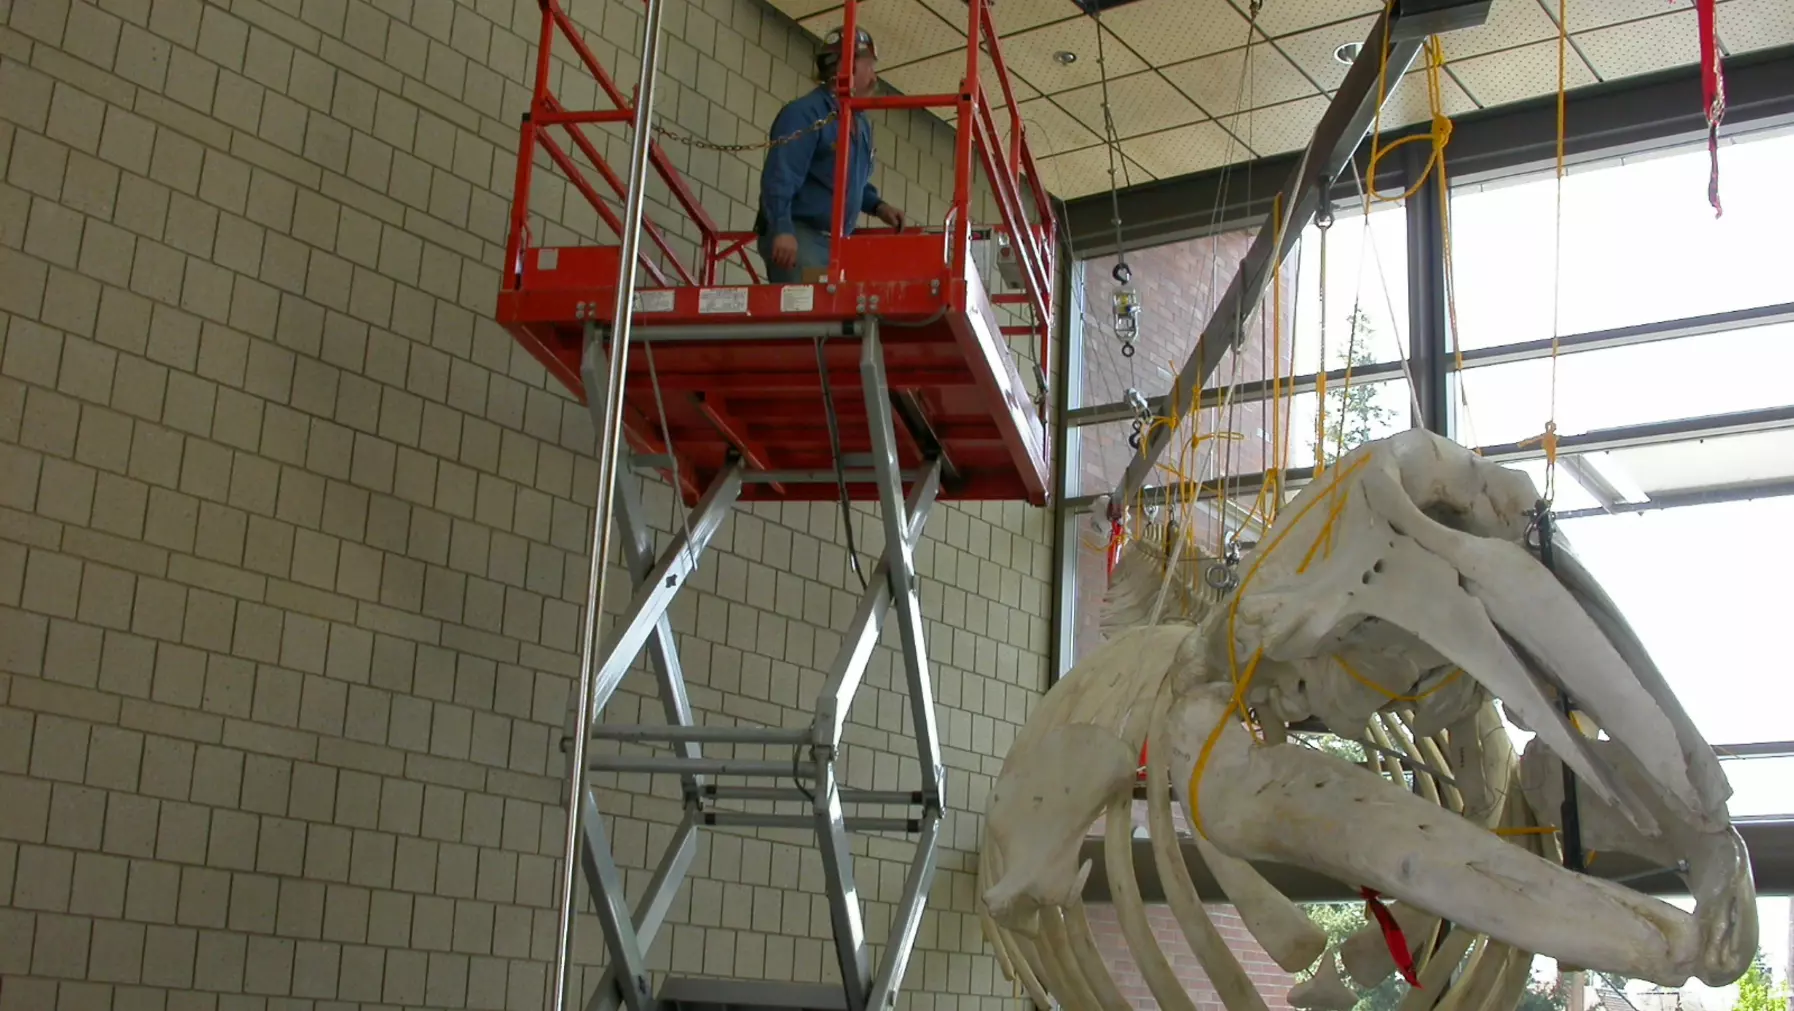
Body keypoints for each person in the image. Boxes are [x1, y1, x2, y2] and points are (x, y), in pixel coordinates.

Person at [756, 26, 907, 282]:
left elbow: (847, 179)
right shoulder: (807, 113)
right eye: (868, 65)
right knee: (813, 313)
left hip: (832, 243)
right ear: (846, 68)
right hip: (799, 233)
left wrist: (877, 205)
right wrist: (782, 228)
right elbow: (781, 174)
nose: (874, 75)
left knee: (841, 314)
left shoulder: (859, 124)